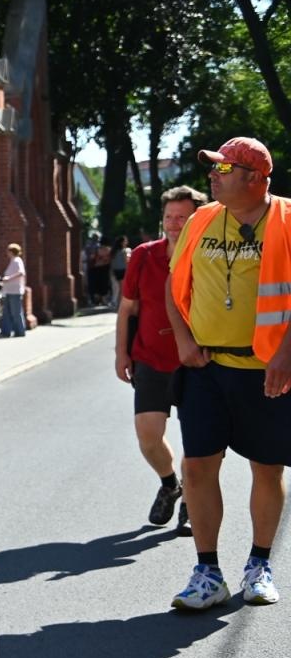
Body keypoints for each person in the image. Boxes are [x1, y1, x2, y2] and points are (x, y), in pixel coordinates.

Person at [164, 136, 290, 610]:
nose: (213, 175)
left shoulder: (287, 219)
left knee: (266, 465)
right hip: (206, 366)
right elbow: (174, 283)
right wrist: (182, 337)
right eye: (213, 167)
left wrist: (286, 354)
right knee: (196, 466)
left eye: (224, 168)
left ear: (256, 178)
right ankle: (207, 572)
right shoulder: (201, 220)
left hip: (267, 370)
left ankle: (259, 564)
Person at [117, 186, 205, 534]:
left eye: (181, 217)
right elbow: (127, 309)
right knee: (148, 436)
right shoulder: (143, 255)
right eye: (169, 217)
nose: (173, 224)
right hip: (150, 358)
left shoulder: (208, 258)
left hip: (198, 361)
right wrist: (121, 352)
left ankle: (192, 502)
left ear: (197, 219)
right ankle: (171, 484)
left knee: (198, 441)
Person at [0, 243, 27, 338]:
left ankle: (20, 331)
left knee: (16, 312)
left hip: (15, 291)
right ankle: (6, 332)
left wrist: (8, 278)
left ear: (12, 251)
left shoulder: (17, 260)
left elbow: (21, 272)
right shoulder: (13, 261)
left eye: (8, 251)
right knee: (7, 313)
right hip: (9, 291)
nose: (7, 252)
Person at [110, 235, 129, 309]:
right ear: (122, 242)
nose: (127, 242)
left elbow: (111, 262)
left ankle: (118, 304)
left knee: (118, 288)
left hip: (115, 271)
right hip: (122, 270)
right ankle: (119, 305)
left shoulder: (113, 251)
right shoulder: (124, 251)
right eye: (125, 241)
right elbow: (126, 262)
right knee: (122, 289)